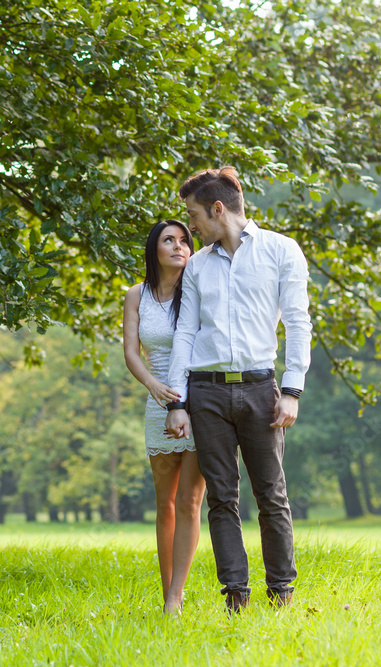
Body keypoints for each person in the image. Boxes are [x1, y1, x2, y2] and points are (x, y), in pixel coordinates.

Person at [164, 166, 311, 613]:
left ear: (218, 208)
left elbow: (298, 322)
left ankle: (281, 592)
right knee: (222, 498)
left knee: (271, 494)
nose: (190, 227)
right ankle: (235, 596)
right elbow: (185, 334)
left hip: (260, 389)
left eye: (193, 216)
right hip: (205, 393)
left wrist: (292, 390)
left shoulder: (281, 251)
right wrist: (178, 401)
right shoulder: (198, 268)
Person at [123, 219, 206, 615]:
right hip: (158, 406)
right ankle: (166, 594)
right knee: (165, 504)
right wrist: (153, 386)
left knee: (191, 501)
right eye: (168, 240)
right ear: (154, 250)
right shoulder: (136, 295)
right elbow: (132, 353)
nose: (179, 246)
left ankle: (176, 596)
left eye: (184, 240)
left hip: (202, 404)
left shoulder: (200, 289)